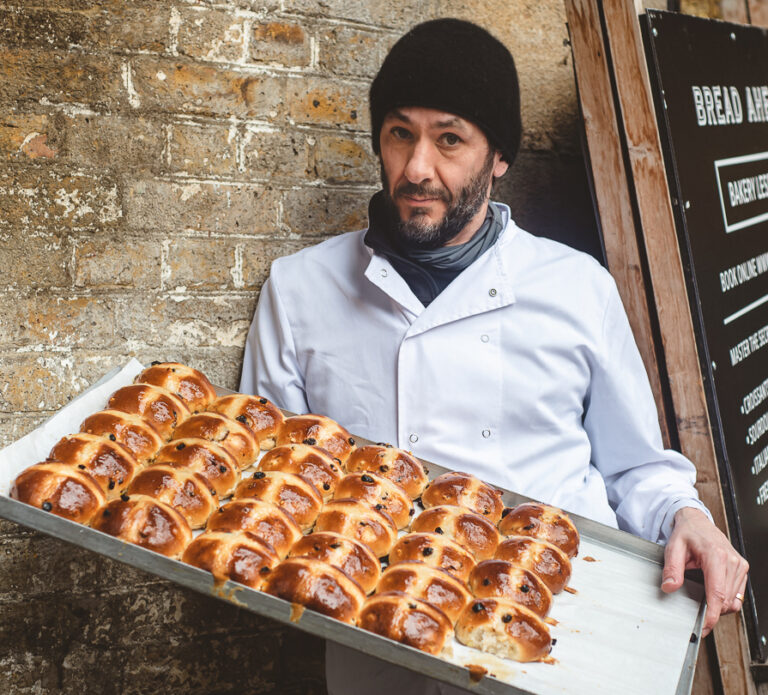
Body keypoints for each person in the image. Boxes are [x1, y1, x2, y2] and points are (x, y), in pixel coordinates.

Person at [239, 18, 748, 695]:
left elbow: (636, 468)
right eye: (399, 134)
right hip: (381, 643)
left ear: (499, 156)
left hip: (560, 633)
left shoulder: (576, 287)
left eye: (449, 139)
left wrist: (689, 518)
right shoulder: (300, 288)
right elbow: (272, 477)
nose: (417, 168)